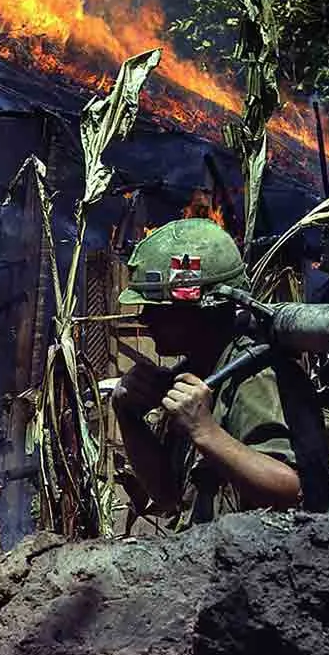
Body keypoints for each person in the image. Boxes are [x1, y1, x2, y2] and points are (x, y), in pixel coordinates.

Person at [111, 218, 301, 525]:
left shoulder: (253, 375)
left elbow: (289, 489)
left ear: (201, 311)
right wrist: (128, 415)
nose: (146, 319)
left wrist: (205, 431)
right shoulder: (199, 372)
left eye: (158, 309)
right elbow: (167, 495)